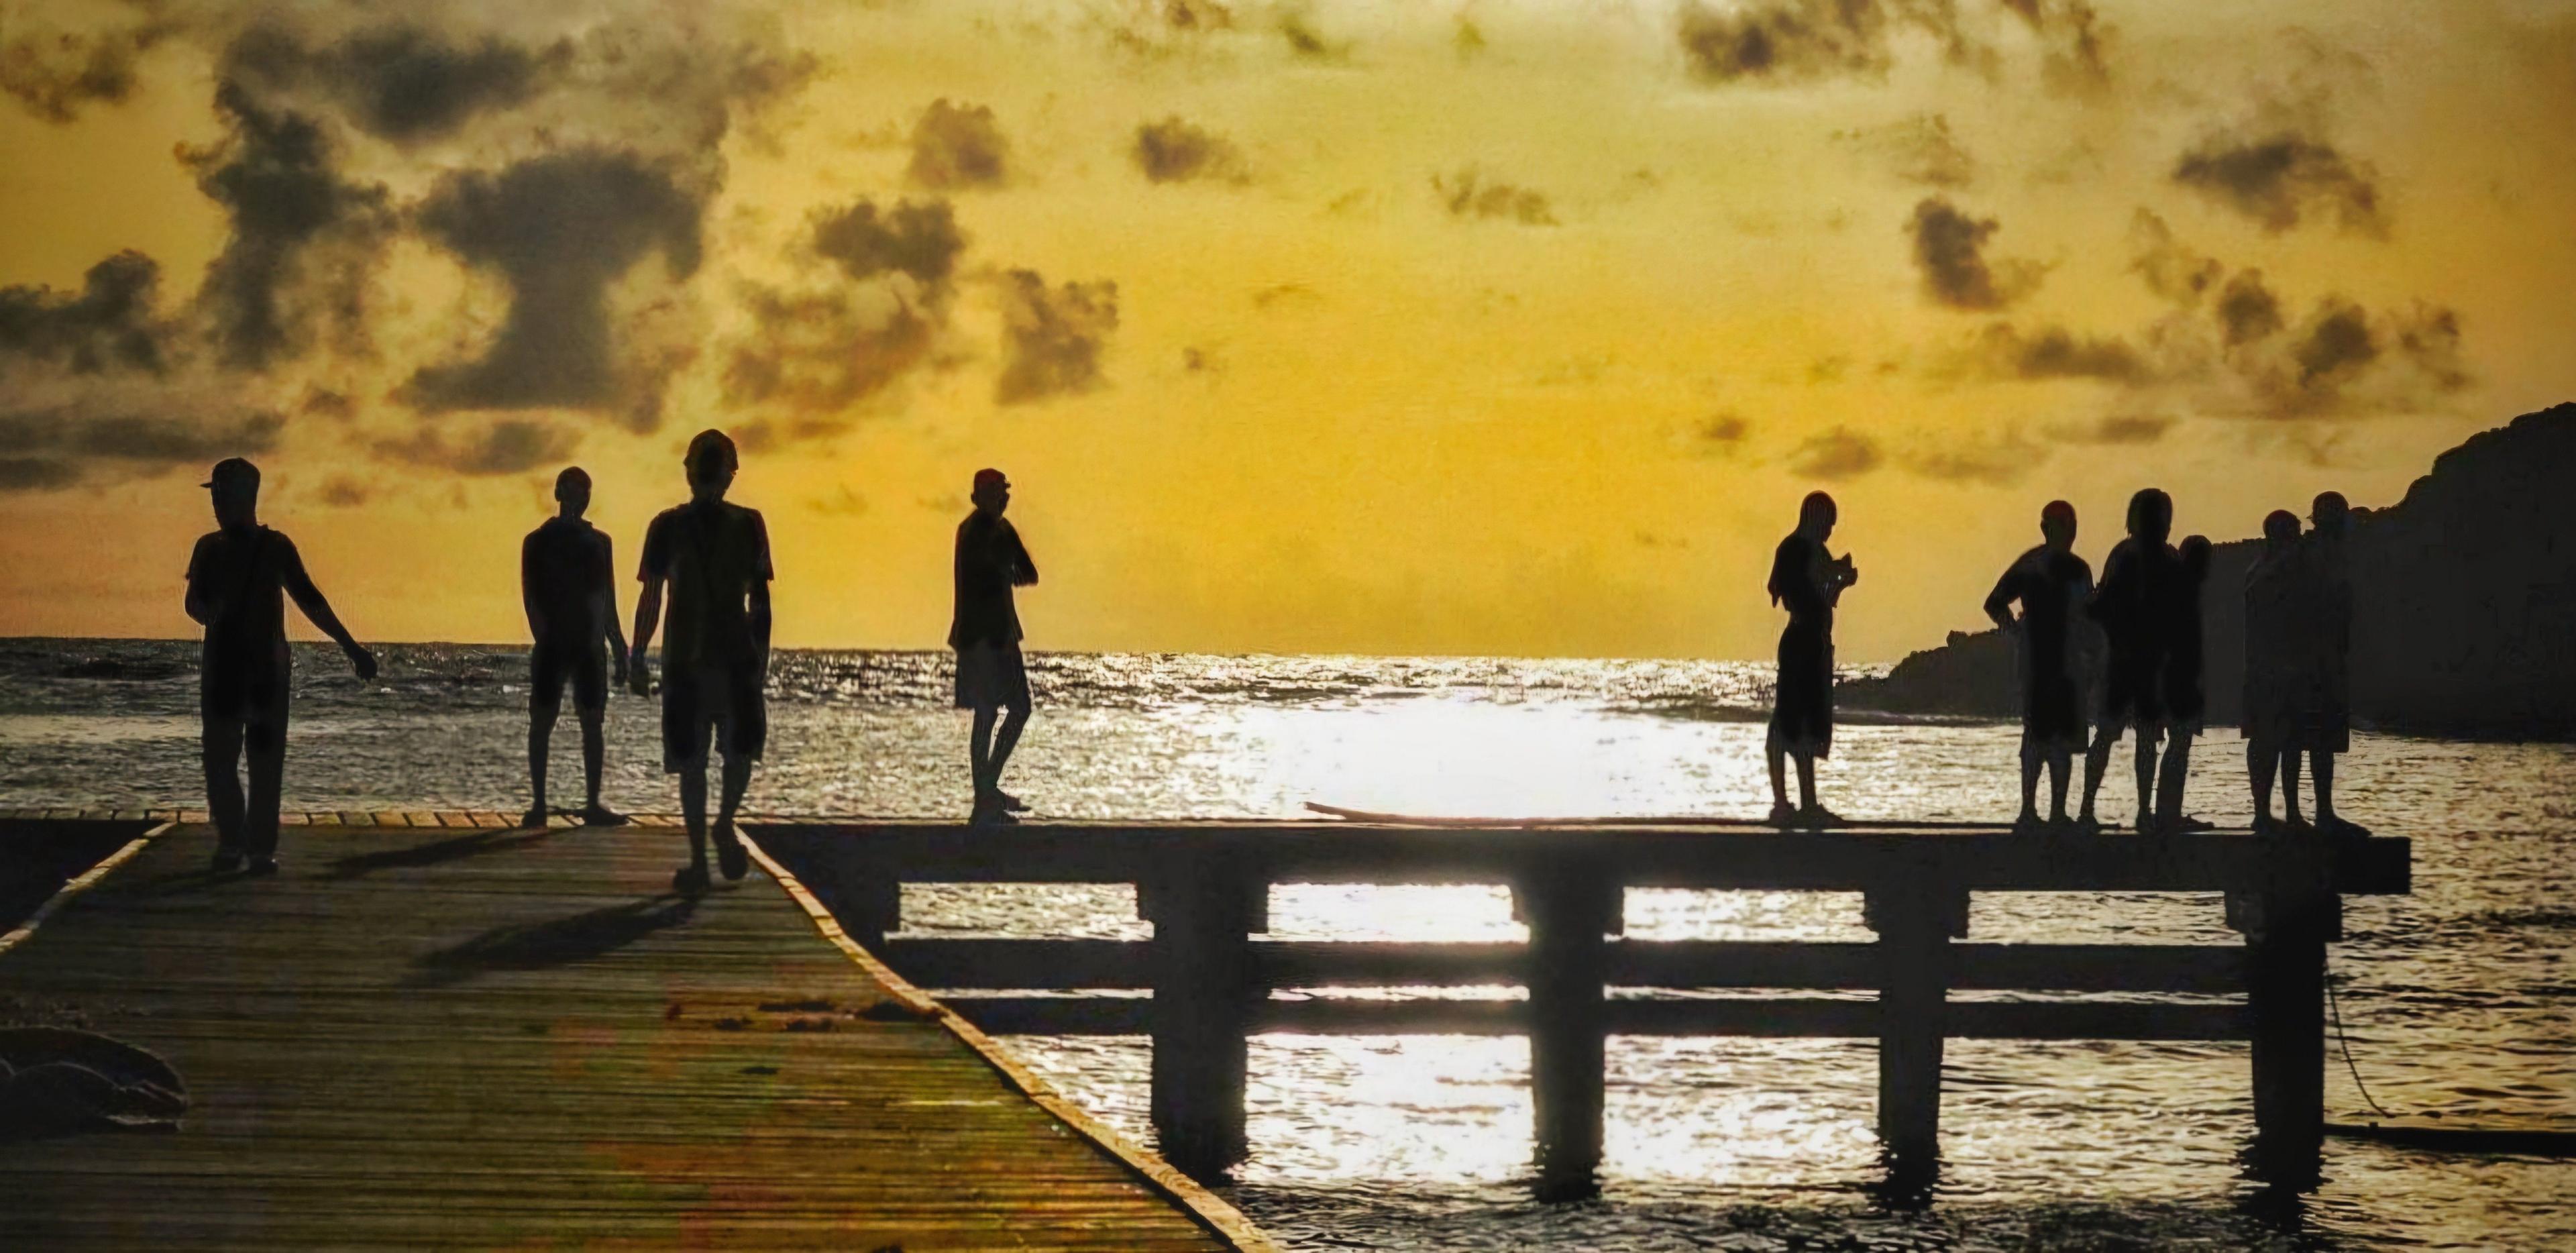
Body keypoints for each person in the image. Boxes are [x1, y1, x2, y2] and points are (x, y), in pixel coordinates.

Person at [183, 457, 378, 875]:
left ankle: (254, 850)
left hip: (258, 672)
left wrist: (351, 647)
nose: (216, 503)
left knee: (260, 761)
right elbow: (192, 604)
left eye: (222, 494)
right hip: (231, 670)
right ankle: (238, 844)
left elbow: (311, 602)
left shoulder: (273, 548)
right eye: (214, 494)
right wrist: (207, 612)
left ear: (244, 497)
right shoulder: (210, 548)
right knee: (222, 760)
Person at [629, 431, 772, 893]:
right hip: (699, 659)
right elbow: (652, 595)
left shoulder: (745, 524)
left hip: (715, 658)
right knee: (714, 758)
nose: (711, 476)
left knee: (727, 756)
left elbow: (760, 599)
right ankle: (705, 846)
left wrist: (637, 655)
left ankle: (713, 837)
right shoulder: (671, 526)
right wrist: (636, 654)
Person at [521, 467, 629, 828]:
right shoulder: (537, 541)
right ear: (558, 494)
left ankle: (592, 804)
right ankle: (538, 804)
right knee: (542, 720)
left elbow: (608, 598)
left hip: (589, 643)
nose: (577, 499)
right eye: (570, 491)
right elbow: (530, 596)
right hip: (554, 641)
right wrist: (544, 637)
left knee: (592, 722)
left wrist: (618, 645)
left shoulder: (600, 543)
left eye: (583, 492)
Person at [1983, 500, 2094, 830]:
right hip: (2039, 659)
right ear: (2046, 529)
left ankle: (2057, 812)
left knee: (2063, 738)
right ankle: (2029, 810)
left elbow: (2087, 616)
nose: (2068, 533)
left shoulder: (2078, 568)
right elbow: (1994, 603)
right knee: (2037, 733)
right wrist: (2017, 634)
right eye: (2061, 526)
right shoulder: (2032, 565)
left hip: (2069, 659)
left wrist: (2093, 657)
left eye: (2071, 526)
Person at [2078, 488, 2179, 832]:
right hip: (2146, 663)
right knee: (2144, 740)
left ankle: (2087, 809)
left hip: (2122, 660)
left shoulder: (2124, 554)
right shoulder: (2165, 557)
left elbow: (2100, 605)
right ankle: (2143, 812)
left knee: (2107, 737)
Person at [950, 468, 1038, 823]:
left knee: (1019, 709)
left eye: (1004, 493)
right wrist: (1005, 570)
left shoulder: (1002, 531)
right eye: (995, 493)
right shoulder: (972, 532)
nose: (1002, 499)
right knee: (986, 714)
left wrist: (1007, 571)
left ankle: (987, 789)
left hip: (1002, 634)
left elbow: (1029, 573)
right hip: (979, 636)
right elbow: (991, 571)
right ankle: (984, 795)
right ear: (979, 497)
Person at [1766, 490, 1857, 826]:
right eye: (1827, 524)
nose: (1830, 531)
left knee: (1809, 724)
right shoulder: (1792, 549)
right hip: (1800, 640)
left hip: (1817, 642)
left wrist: (1841, 582)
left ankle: (1808, 803)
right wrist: (1830, 574)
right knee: (1786, 723)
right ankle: (1782, 802)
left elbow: (1826, 599)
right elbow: (1788, 596)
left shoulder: (1818, 551)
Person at [2243, 510, 2310, 834]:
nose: (2299, 537)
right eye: (2295, 531)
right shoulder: (2271, 570)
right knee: (2274, 742)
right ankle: (2268, 812)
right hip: (2272, 669)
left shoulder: (2263, 568)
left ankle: (2284, 811)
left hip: (2273, 668)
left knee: (2286, 741)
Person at [2302, 491, 2364, 838]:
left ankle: (2322, 811)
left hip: (2327, 657)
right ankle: (2318, 813)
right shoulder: (2316, 554)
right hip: (2316, 660)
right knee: (2316, 737)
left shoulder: (2330, 553)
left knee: (2323, 740)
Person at [2154, 534, 2214, 832]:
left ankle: (2167, 812)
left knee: (2179, 747)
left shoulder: (2178, 588)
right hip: (2178, 683)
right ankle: (2167, 814)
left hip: (2177, 681)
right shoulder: (2183, 590)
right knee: (2179, 746)